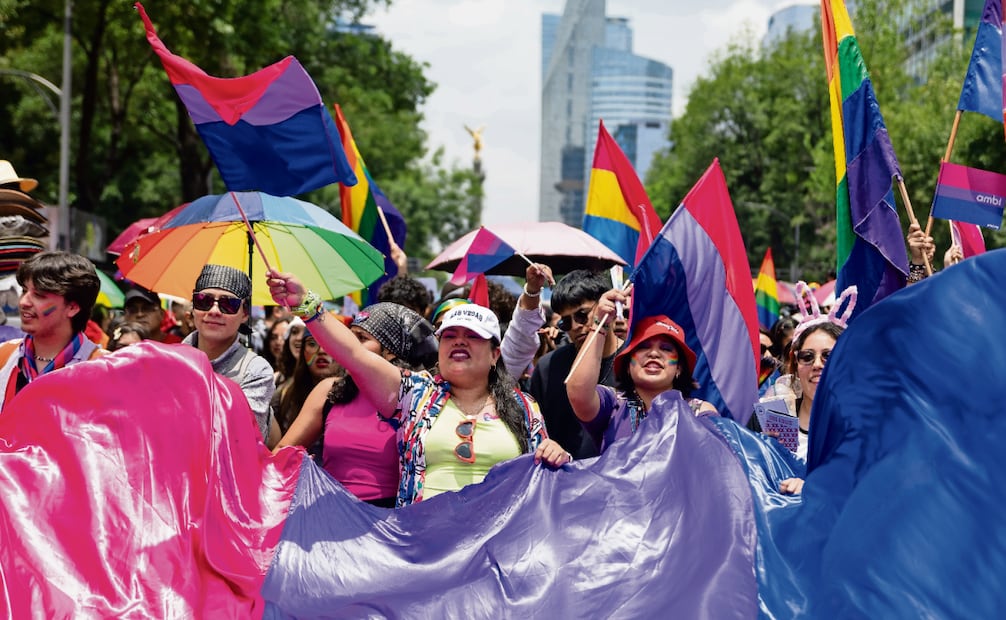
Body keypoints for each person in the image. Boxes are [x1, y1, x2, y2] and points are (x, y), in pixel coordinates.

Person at [266, 269, 571, 507]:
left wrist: (556, 453)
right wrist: (306, 303)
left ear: (494, 354)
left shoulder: (524, 407)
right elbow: (354, 354)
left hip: (497, 552)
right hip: (424, 551)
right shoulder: (416, 393)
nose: (460, 341)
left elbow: (544, 479)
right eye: (450, 335)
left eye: (473, 335)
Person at [274, 302, 439, 507]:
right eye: (350, 336)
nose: (350, 344)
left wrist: (304, 302)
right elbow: (281, 453)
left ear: (390, 352)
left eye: (361, 338)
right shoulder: (329, 391)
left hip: (389, 525)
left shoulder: (417, 399)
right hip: (329, 519)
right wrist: (298, 465)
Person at [566, 287, 716, 454]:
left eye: (666, 349)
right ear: (628, 366)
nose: (653, 353)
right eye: (643, 347)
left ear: (679, 368)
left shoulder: (698, 413)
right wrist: (599, 324)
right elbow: (578, 392)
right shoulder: (612, 405)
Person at [773, 282, 856, 494]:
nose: (817, 364)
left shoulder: (860, 423)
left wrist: (813, 489)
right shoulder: (776, 416)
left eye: (828, 356)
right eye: (807, 357)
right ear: (795, 364)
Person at [182, 264, 277, 445]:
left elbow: (239, 438)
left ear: (245, 313)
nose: (214, 311)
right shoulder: (170, 359)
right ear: (193, 307)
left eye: (228, 304)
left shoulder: (256, 371)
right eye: (204, 300)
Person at [527, 269, 617, 459]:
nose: (575, 326)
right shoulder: (548, 368)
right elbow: (535, 434)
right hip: (565, 481)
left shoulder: (635, 363)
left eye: (582, 315)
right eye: (565, 322)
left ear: (606, 307)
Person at [0, 251, 104, 412]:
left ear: (72, 307)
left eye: (39, 295)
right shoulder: (4, 355)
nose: (24, 302)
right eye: (24, 291)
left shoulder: (102, 368)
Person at [271, 329, 339, 434]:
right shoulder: (283, 395)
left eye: (330, 342)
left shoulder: (357, 398)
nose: (321, 351)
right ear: (303, 351)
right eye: (312, 343)